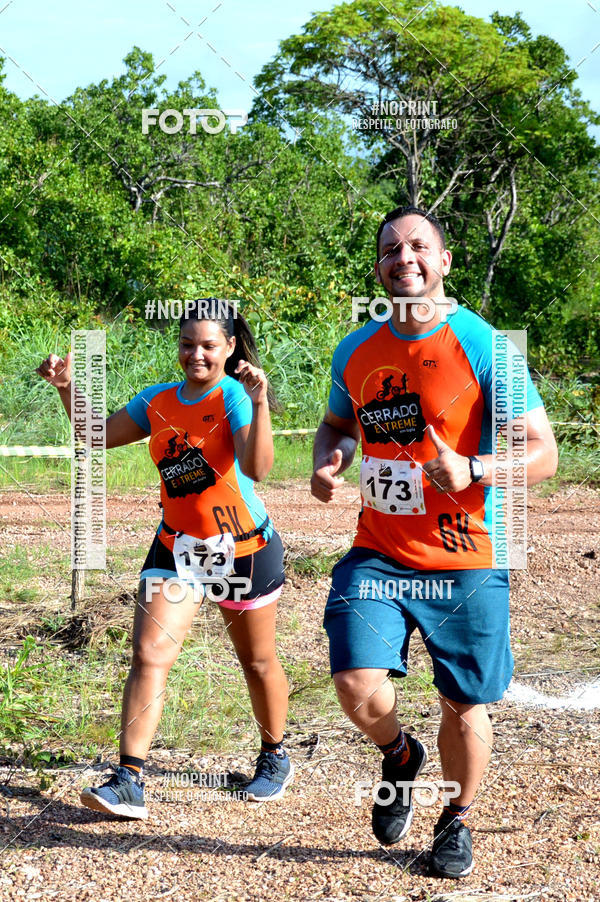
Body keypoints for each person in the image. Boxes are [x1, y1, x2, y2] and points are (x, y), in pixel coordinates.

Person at [311, 206, 558, 878]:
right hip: (380, 551)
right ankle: (398, 754)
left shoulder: (483, 345)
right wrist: (328, 459)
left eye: (419, 246)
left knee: (464, 703)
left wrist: (475, 469)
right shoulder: (356, 349)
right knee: (356, 682)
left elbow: (543, 454)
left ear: (444, 261)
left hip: (467, 558)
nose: (405, 259)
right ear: (379, 269)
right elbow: (336, 425)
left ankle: (456, 821)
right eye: (391, 250)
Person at [37, 298, 294, 817]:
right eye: (186, 344)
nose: (195, 354)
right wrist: (66, 388)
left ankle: (274, 756)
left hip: (243, 550)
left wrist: (261, 403)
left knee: (258, 661)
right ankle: (129, 778)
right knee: (150, 653)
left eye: (207, 345)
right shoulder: (158, 401)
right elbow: (95, 435)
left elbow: (259, 468)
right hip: (177, 548)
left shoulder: (236, 399)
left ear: (227, 348)